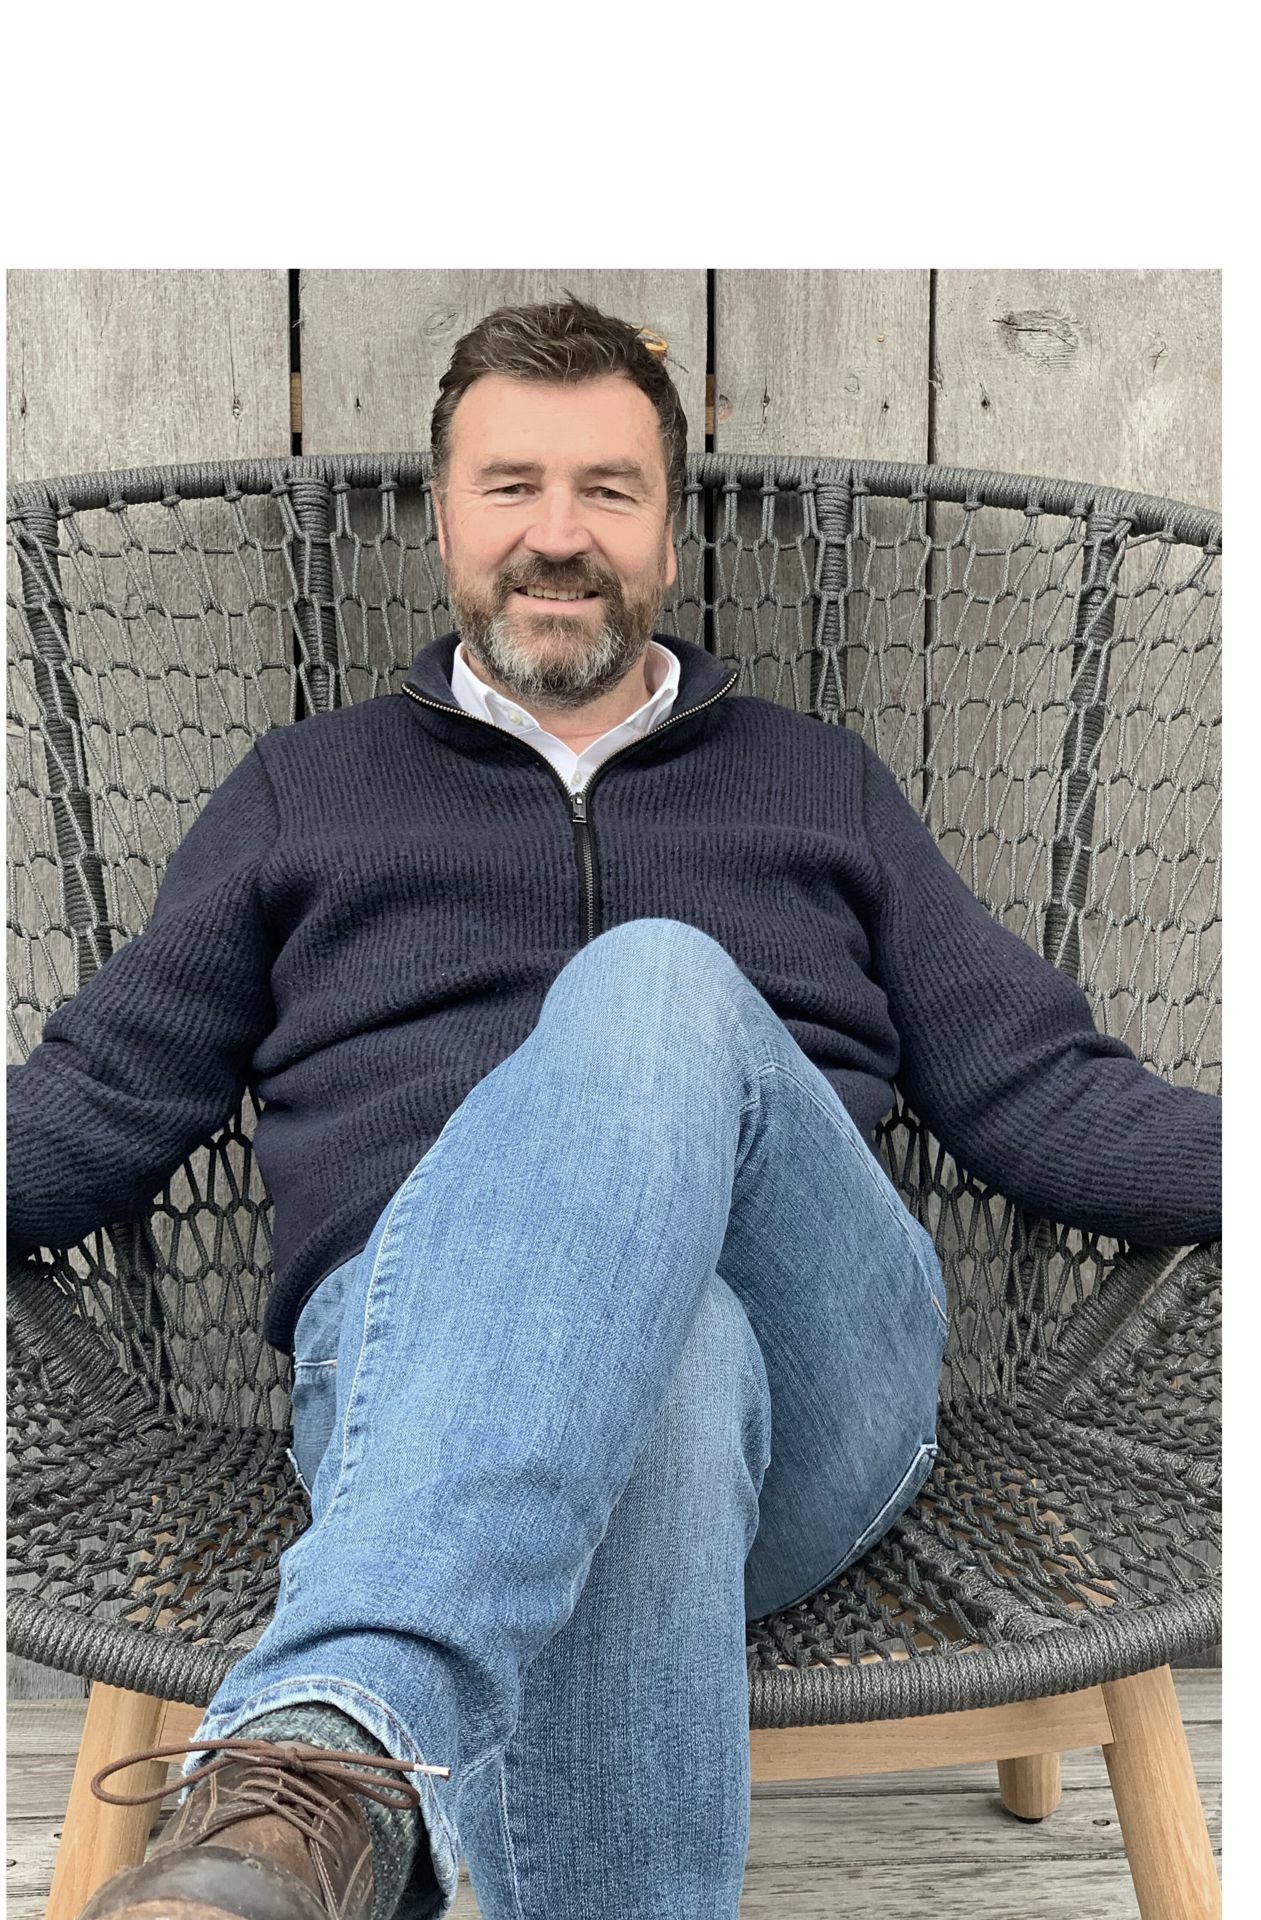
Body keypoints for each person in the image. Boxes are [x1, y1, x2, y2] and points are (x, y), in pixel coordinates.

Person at [7, 295, 1221, 1920]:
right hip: (414, 1370)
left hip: (820, 1394)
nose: (557, 534)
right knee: (666, 1359)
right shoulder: (304, 790)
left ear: (668, 529)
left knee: (656, 980)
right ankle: (342, 1780)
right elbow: (100, 1097)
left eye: (608, 489)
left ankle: (332, 1744)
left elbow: (1039, 1091)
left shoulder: (819, 781)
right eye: (511, 486)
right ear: (444, 515)